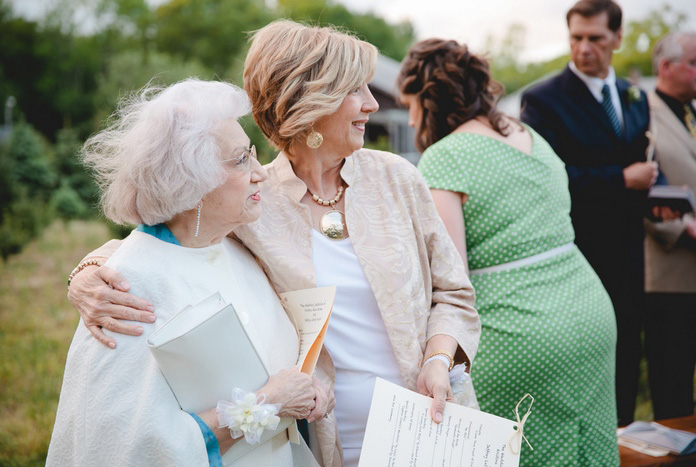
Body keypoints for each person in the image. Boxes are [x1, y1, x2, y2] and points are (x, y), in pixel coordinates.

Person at [66, 21, 481, 467]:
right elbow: (171, 239)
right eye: (354, 90)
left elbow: (454, 292)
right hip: (334, 442)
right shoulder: (251, 203)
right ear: (311, 104)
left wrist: (439, 359)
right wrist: (88, 274)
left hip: (433, 426)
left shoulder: (397, 178)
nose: (372, 104)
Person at [47, 79, 328, 466]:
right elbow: (125, 448)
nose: (260, 172)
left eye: (252, 154)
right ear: (191, 181)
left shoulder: (240, 248)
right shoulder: (126, 288)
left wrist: (310, 390)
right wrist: (271, 403)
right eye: (241, 160)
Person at [397, 38, 619, 466]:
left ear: (430, 99)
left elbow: (450, 275)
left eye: (411, 105)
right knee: (588, 447)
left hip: (519, 335)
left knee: (515, 453)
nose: (409, 119)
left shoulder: (445, 158)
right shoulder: (530, 135)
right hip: (590, 313)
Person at [520, 0, 655, 426]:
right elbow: (547, 176)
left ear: (617, 38)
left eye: (595, 38)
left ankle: (627, 436)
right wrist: (621, 178)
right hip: (578, 252)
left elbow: (640, 159)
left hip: (635, 250)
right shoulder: (542, 99)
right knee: (585, 363)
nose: (583, 48)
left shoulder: (634, 96)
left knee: (628, 352)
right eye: (576, 38)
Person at [644, 30, 696, 420]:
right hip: (671, 275)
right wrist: (681, 228)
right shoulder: (643, 113)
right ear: (667, 67)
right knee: (673, 388)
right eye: (695, 63)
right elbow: (643, 187)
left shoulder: (692, 111)